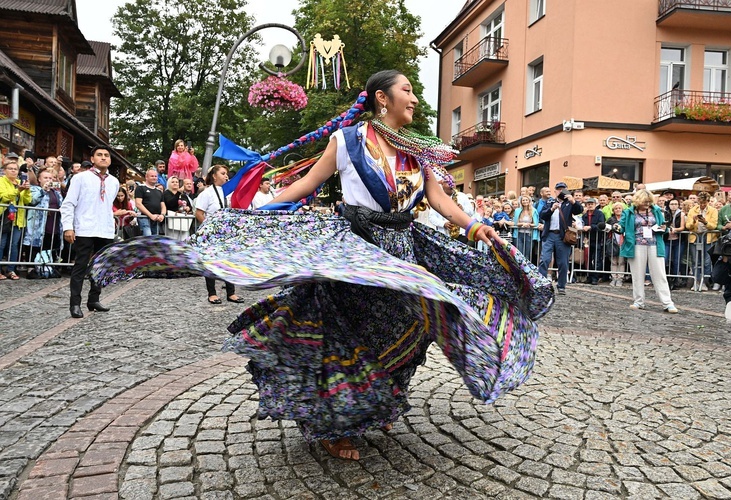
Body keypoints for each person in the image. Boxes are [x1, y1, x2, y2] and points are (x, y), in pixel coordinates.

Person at [89, 70, 553, 462]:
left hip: (404, 251)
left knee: (408, 331)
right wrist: (249, 213)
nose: (414, 97)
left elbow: (438, 200)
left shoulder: (418, 149)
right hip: (354, 252)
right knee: (348, 333)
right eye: (407, 90)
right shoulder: (345, 141)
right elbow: (303, 186)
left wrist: (476, 226)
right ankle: (338, 425)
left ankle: (375, 404)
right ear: (381, 98)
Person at [60, 146, 119, 318]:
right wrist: (68, 227)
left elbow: (107, 205)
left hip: (105, 229)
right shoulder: (80, 178)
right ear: (92, 159)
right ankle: (75, 303)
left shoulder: (114, 181)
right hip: (84, 228)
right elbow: (69, 203)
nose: (103, 158)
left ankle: (94, 299)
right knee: (81, 266)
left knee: (100, 267)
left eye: (106, 155)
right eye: (99, 155)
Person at [619, 189, 678, 313]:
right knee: (637, 275)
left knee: (660, 274)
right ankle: (638, 301)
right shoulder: (629, 212)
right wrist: (617, 227)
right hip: (636, 244)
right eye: (645, 201)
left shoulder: (656, 211)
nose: (647, 204)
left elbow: (664, 227)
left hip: (655, 244)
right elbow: (621, 226)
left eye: (649, 201)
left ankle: (667, 303)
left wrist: (664, 228)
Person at [194, 164, 244, 305]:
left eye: (226, 173)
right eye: (222, 173)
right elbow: (199, 213)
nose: (225, 176)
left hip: (226, 233)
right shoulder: (207, 193)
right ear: (214, 176)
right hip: (212, 234)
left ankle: (231, 293)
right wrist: (209, 229)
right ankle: (212, 294)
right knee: (210, 264)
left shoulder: (227, 192)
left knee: (229, 262)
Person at [539, 182, 583, 295]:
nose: (561, 191)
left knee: (563, 263)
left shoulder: (569, 203)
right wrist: (551, 209)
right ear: (555, 191)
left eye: (563, 189)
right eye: (559, 189)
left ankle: (561, 285)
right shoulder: (549, 202)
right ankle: (541, 285)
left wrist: (573, 201)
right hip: (549, 234)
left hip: (563, 236)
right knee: (544, 260)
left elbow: (579, 210)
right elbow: (542, 215)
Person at [23, 168, 64, 276]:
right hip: (38, 223)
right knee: (34, 245)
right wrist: (43, 190)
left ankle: (46, 267)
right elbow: (32, 201)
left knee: (49, 244)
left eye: (50, 178)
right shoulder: (34, 189)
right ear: (39, 179)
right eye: (45, 178)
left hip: (53, 222)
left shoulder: (56, 192)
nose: (48, 180)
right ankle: (31, 268)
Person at [0, 161, 32, 280]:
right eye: (10, 168)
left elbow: (28, 200)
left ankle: (11, 270)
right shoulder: (1, 181)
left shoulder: (20, 182)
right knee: (1, 244)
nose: (13, 171)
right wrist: (18, 190)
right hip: (4, 217)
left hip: (18, 219)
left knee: (14, 245)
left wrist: (27, 190)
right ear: (4, 170)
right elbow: (4, 196)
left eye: (15, 169)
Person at [685, 191, 718, 291]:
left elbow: (714, 226)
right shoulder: (692, 210)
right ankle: (696, 281)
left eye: (705, 203)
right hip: (695, 236)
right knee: (695, 261)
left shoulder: (713, 210)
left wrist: (705, 222)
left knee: (707, 261)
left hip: (708, 237)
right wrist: (694, 221)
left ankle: (705, 282)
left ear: (708, 201)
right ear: (698, 201)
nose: (703, 205)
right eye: (701, 202)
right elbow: (688, 226)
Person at [580, 198, 606, 284]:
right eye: (588, 204)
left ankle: (595, 277)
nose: (590, 205)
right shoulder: (584, 215)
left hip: (597, 239)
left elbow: (601, 225)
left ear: (595, 204)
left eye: (591, 204)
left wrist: (591, 227)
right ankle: (589, 276)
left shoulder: (599, 214)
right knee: (588, 259)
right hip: (587, 239)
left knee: (597, 259)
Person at [134, 168, 166, 236]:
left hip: (156, 219)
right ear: (146, 177)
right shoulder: (140, 188)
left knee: (154, 239)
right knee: (147, 237)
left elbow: (163, 205)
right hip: (144, 217)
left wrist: (162, 215)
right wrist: (150, 215)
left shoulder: (159, 191)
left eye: (155, 176)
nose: (154, 178)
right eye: (152, 176)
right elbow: (138, 203)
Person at [664, 198, 686, 289]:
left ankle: (676, 280)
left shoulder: (681, 214)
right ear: (669, 205)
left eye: (676, 204)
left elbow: (682, 227)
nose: (674, 205)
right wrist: (667, 229)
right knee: (665, 259)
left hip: (678, 240)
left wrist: (674, 229)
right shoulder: (665, 213)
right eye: (672, 204)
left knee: (677, 260)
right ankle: (665, 279)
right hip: (667, 240)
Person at [163, 176, 193, 241]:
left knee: (184, 240)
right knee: (172, 240)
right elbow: (170, 203)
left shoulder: (183, 195)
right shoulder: (166, 193)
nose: (175, 183)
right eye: (173, 182)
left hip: (183, 221)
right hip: (171, 221)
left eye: (177, 182)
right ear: (169, 183)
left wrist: (188, 208)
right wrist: (178, 193)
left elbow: (190, 206)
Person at [605, 202, 626, 287]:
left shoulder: (625, 219)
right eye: (616, 208)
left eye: (619, 208)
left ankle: (620, 278)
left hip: (623, 241)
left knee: (621, 261)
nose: (618, 210)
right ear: (613, 210)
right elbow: (606, 230)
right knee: (613, 261)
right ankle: (614, 277)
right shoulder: (610, 219)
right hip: (613, 241)